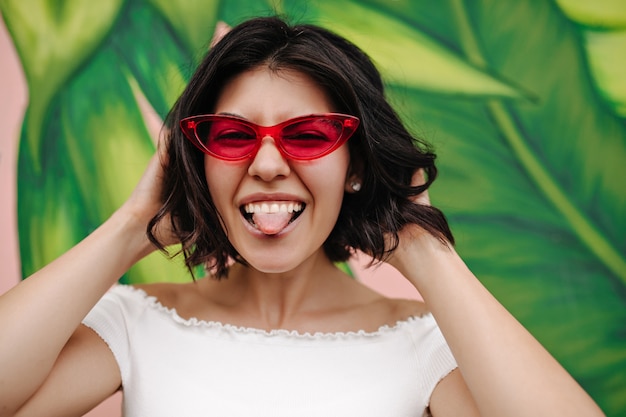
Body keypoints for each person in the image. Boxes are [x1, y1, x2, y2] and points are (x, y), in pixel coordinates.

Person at [0, 16, 605, 417]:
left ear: (356, 166)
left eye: (309, 135)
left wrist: (427, 252)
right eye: (233, 137)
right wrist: (133, 226)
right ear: (198, 163)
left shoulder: (429, 341)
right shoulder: (136, 322)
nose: (266, 164)